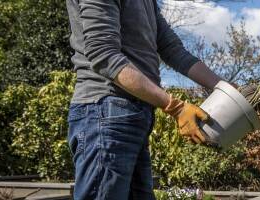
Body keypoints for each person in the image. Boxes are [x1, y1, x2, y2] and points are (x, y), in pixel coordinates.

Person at [65, 1, 228, 199]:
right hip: (105, 112)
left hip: (134, 115)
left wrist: (225, 88)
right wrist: (174, 107)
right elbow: (104, 54)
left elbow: (172, 49)